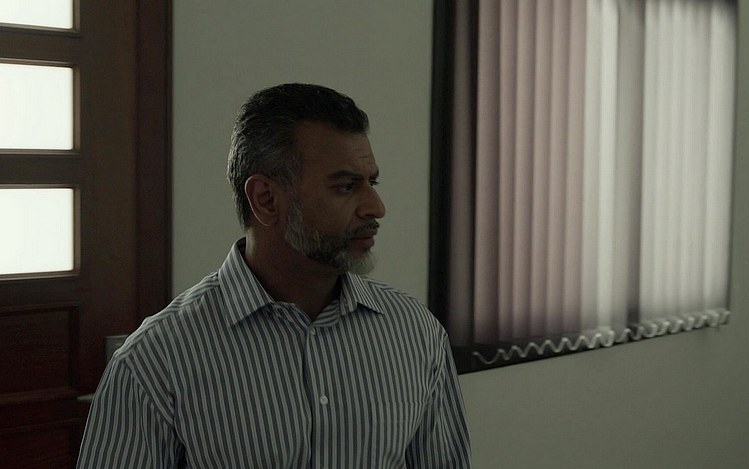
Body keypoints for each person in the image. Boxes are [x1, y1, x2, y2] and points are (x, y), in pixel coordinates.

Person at [77, 83, 471, 468]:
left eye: (372, 182)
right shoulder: (156, 360)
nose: (375, 207)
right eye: (346, 186)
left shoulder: (415, 333)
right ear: (266, 199)